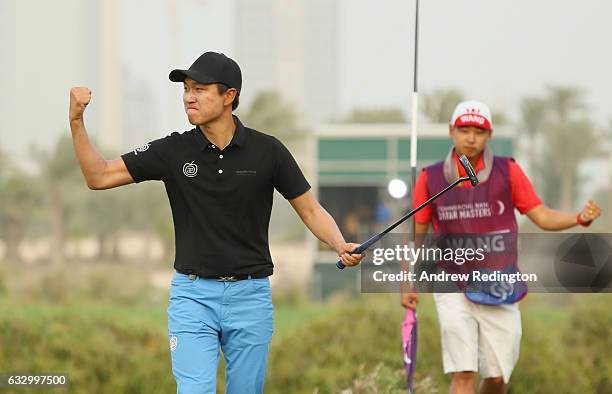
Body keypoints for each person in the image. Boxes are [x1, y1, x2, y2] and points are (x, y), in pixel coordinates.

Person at [68, 51, 364, 394]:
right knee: (194, 389)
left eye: (200, 89)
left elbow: (310, 210)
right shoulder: (172, 151)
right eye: (186, 89)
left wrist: (339, 243)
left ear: (229, 96)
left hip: (250, 295)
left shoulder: (268, 151)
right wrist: (76, 121)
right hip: (192, 296)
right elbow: (98, 176)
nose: (189, 97)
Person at [401, 100, 601, 394]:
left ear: (489, 135)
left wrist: (578, 219)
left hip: (499, 284)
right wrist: (408, 280)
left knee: (496, 377)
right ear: (451, 131)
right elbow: (415, 237)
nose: (471, 138)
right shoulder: (430, 179)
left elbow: (541, 215)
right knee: (463, 371)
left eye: (479, 132)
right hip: (451, 283)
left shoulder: (508, 171)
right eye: (464, 130)